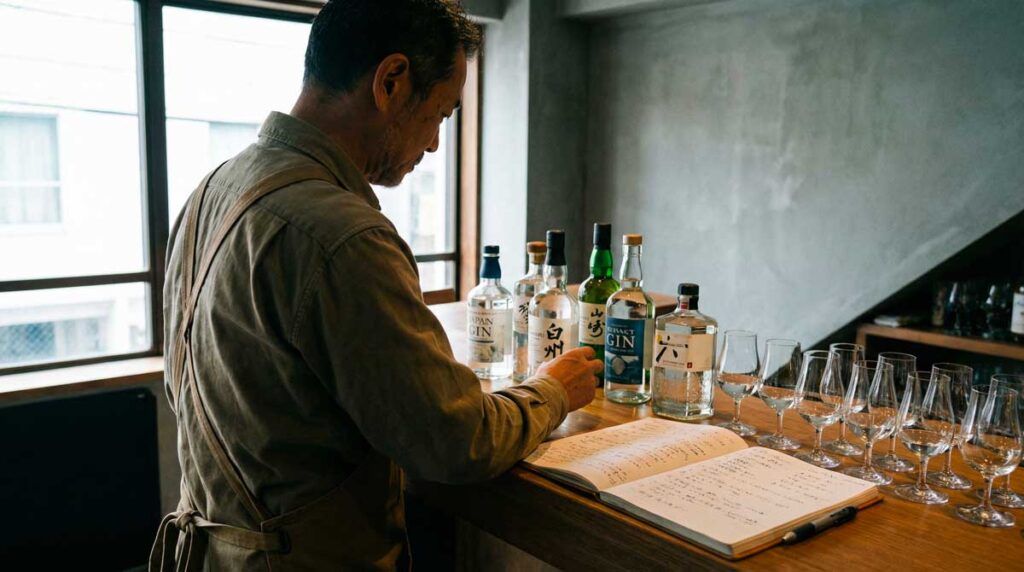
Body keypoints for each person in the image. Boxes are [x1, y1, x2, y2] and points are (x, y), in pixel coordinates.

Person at [149, 0, 601, 570]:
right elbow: (457, 441)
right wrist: (552, 389)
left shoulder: (215, 188)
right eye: (441, 113)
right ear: (391, 81)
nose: (435, 143)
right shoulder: (342, 234)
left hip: (212, 552)